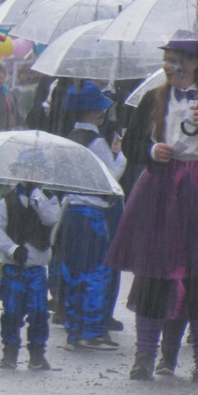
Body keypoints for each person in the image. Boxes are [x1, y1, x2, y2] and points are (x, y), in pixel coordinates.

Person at [106, 33, 198, 382]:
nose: (168, 65)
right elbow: (131, 144)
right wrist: (149, 151)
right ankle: (146, 354)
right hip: (160, 190)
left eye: (175, 59)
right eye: (167, 58)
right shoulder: (152, 100)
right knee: (154, 273)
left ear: (194, 63)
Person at [58, 81, 125, 351]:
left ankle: (74, 329)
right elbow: (111, 177)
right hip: (93, 214)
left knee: (73, 272)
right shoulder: (97, 142)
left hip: (71, 212)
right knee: (97, 272)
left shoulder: (70, 139)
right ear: (92, 112)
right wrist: (119, 154)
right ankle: (93, 330)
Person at [0, 160, 61, 371]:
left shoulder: (49, 197)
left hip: (37, 268)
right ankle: (9, 351)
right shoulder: (7, 200)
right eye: (28, 170)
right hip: (13, 268)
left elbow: (50, 219)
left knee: (39, 311)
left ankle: (37, 353)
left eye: (38, 170)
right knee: (11, 310)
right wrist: (11, 249)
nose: (32, 174)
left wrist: (37, 196)